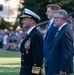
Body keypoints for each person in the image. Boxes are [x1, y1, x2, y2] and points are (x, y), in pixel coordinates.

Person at [47, 9, 73, 75]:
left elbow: (66, 53)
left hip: (59, 70)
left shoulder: (65, 31)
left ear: (62, 19)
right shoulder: (61, 30)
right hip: (55, 69)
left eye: (56, 18)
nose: (54, 20)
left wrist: (63, 70)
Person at [19, 8, 43, 75]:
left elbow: (38, 57)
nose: (22, 22)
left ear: (31, 21)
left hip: (30, 72)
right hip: (26, 70)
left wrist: (35, 73)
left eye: (24, 19)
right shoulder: (30, 34)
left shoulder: (35, 35)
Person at [43, 4, 61, 75]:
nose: (46, 13)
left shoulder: (56, 25)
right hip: (48, 58)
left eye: (48, 11)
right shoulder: (51, 23)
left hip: (52, 59)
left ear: (55, 12)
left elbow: (55, 43)